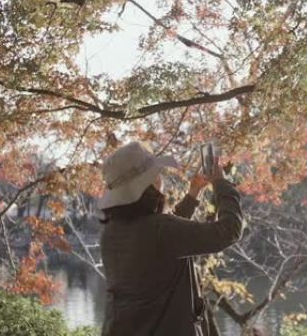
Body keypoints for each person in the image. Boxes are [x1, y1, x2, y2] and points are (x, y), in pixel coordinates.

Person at [97, 141, 243, 336]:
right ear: (149, 184)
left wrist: (194, 192)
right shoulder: (160, 230)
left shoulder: (111, 232)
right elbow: (228, 231)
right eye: (156, 173)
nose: (160, 177)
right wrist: (221, 184)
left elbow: (164, 243)